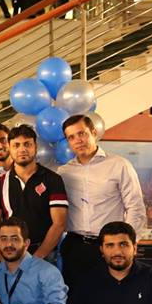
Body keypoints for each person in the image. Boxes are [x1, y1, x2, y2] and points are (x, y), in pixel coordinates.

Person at [58, 114, 146, 291]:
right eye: (71, 137)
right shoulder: (63, 172)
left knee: (112, 298)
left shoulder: (119, 165)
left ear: (94, 132)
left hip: (110, 247)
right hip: (75, 247)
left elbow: (135, 207)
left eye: (81, 133)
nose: (77, 140)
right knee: (75, 300)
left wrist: (125, 245)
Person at [0, 125, 68, 263]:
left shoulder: (53, 179)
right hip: (10, 255)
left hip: (45, 256)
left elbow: (59, 223)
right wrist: (2, 259)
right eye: (16, 145)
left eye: (27, 144)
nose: (22, 149)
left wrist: (35, 260)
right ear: (9, 148)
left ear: (35, 147)